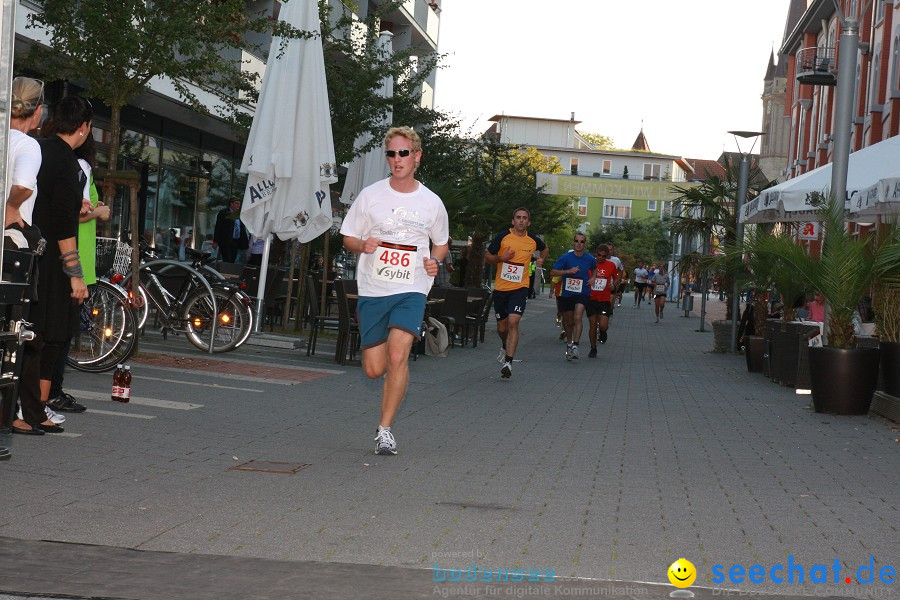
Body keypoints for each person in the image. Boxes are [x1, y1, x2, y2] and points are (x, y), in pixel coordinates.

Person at [340, 126, 449, 456]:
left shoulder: (431, 203)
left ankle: (385, 430)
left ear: (416, 156)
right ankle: (388, 360)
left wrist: (434, 262)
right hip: (374, 289)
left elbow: (440, 244)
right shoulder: (371, 196)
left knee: (399, 355)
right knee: (375, 369)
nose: (397, 159)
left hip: (411, 289)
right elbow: (347, 238)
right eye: (391, 153)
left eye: (403, 153)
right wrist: (363, 244)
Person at [14, 95, 93, 436]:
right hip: (50, 262)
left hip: (25, 249)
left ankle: (32, 409)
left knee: (32, 333)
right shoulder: (68, 164)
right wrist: (75, 274)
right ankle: (30, 410)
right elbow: (64, 224)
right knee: (47, 335)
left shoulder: (37, 148)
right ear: (84, 127)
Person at [45, 131, 110, 417]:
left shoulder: (62, 162)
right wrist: (99, 213)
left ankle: (49, 393)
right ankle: (51, 394)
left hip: (71, 254)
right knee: (60, 331)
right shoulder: (79, 166)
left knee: (58, 330)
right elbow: (76, 212)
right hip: (75, 255)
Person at [484, 207, 548, 378]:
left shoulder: (532, 240)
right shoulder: (503, 237)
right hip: (501, 289)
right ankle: (504, 346)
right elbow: (487, 257)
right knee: (502, 327)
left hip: (520, 288)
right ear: (513, 221)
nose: (521, 220)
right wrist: (501, 258)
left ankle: (508, 363)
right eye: (518, 217)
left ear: (528, 222)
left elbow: (545, 249)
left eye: (524, 218)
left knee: (514, 322)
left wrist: (542, 259)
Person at [550, 233, 595, 361]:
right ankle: (569, 343)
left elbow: (595, 269)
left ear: (585, 244)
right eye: (577, 241)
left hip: (583, 292)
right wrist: (567, 271)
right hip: (568, 293)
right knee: (569, 322)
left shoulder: (590, 258)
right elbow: (553, 272)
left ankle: (575, 345)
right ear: (573, 243)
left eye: (582, 241)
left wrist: (593, 278)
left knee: (578, 316)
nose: (579, 243)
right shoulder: (565, 258)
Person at [586, 244, 619, 358]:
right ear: (596, 253)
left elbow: (617, 278)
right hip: (591, 299)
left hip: (604, 300)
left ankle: (603, 332)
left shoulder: (611, 265)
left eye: (603, 256)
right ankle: (593, 348)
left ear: (607, 256)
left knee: (603, 325)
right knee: (593, 325)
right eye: (599, 255)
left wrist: (614, 286)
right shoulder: (590, 264)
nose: (600, 258)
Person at [213, 198, 248, 263]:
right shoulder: (223, 213)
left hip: (236, 241)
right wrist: (215, 241)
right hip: (226, 241)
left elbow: (242, 228)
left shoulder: (239, 214)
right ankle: (226, 272)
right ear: (231, 204)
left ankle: (229, 271)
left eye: (239, 203)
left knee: (232, 260)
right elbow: (218, 227)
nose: (238, 205)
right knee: (227, 259)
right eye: (236, 203)